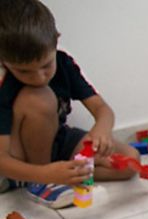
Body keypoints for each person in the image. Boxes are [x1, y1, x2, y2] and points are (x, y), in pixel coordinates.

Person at [0, 0, 138, 208]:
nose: (38, 77)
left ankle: (62, 174)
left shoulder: (64, 63)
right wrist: (44, 173)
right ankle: (37, 181)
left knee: (129, 162)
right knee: (40, 97)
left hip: (58, 140)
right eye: (24, 71)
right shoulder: (4, 85)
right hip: (19, 155)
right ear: (3, 61)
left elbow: (102, 110)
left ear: (56, 42)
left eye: (46, 65)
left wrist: (101, 131)